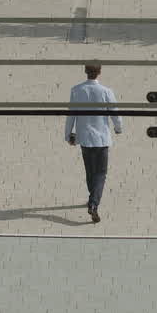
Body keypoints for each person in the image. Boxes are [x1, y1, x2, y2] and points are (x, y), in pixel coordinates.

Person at [65, 63, 123, 223]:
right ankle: (94, 204)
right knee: (101, 173)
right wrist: (118, 128)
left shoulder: (76, 90)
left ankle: (93, 197)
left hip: (84, 137)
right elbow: (115, 113)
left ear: (85, 72)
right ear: (99, 72)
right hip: (102, 138)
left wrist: (68, 134)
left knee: (90, 171)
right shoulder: (106, 91)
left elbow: (71, 114)